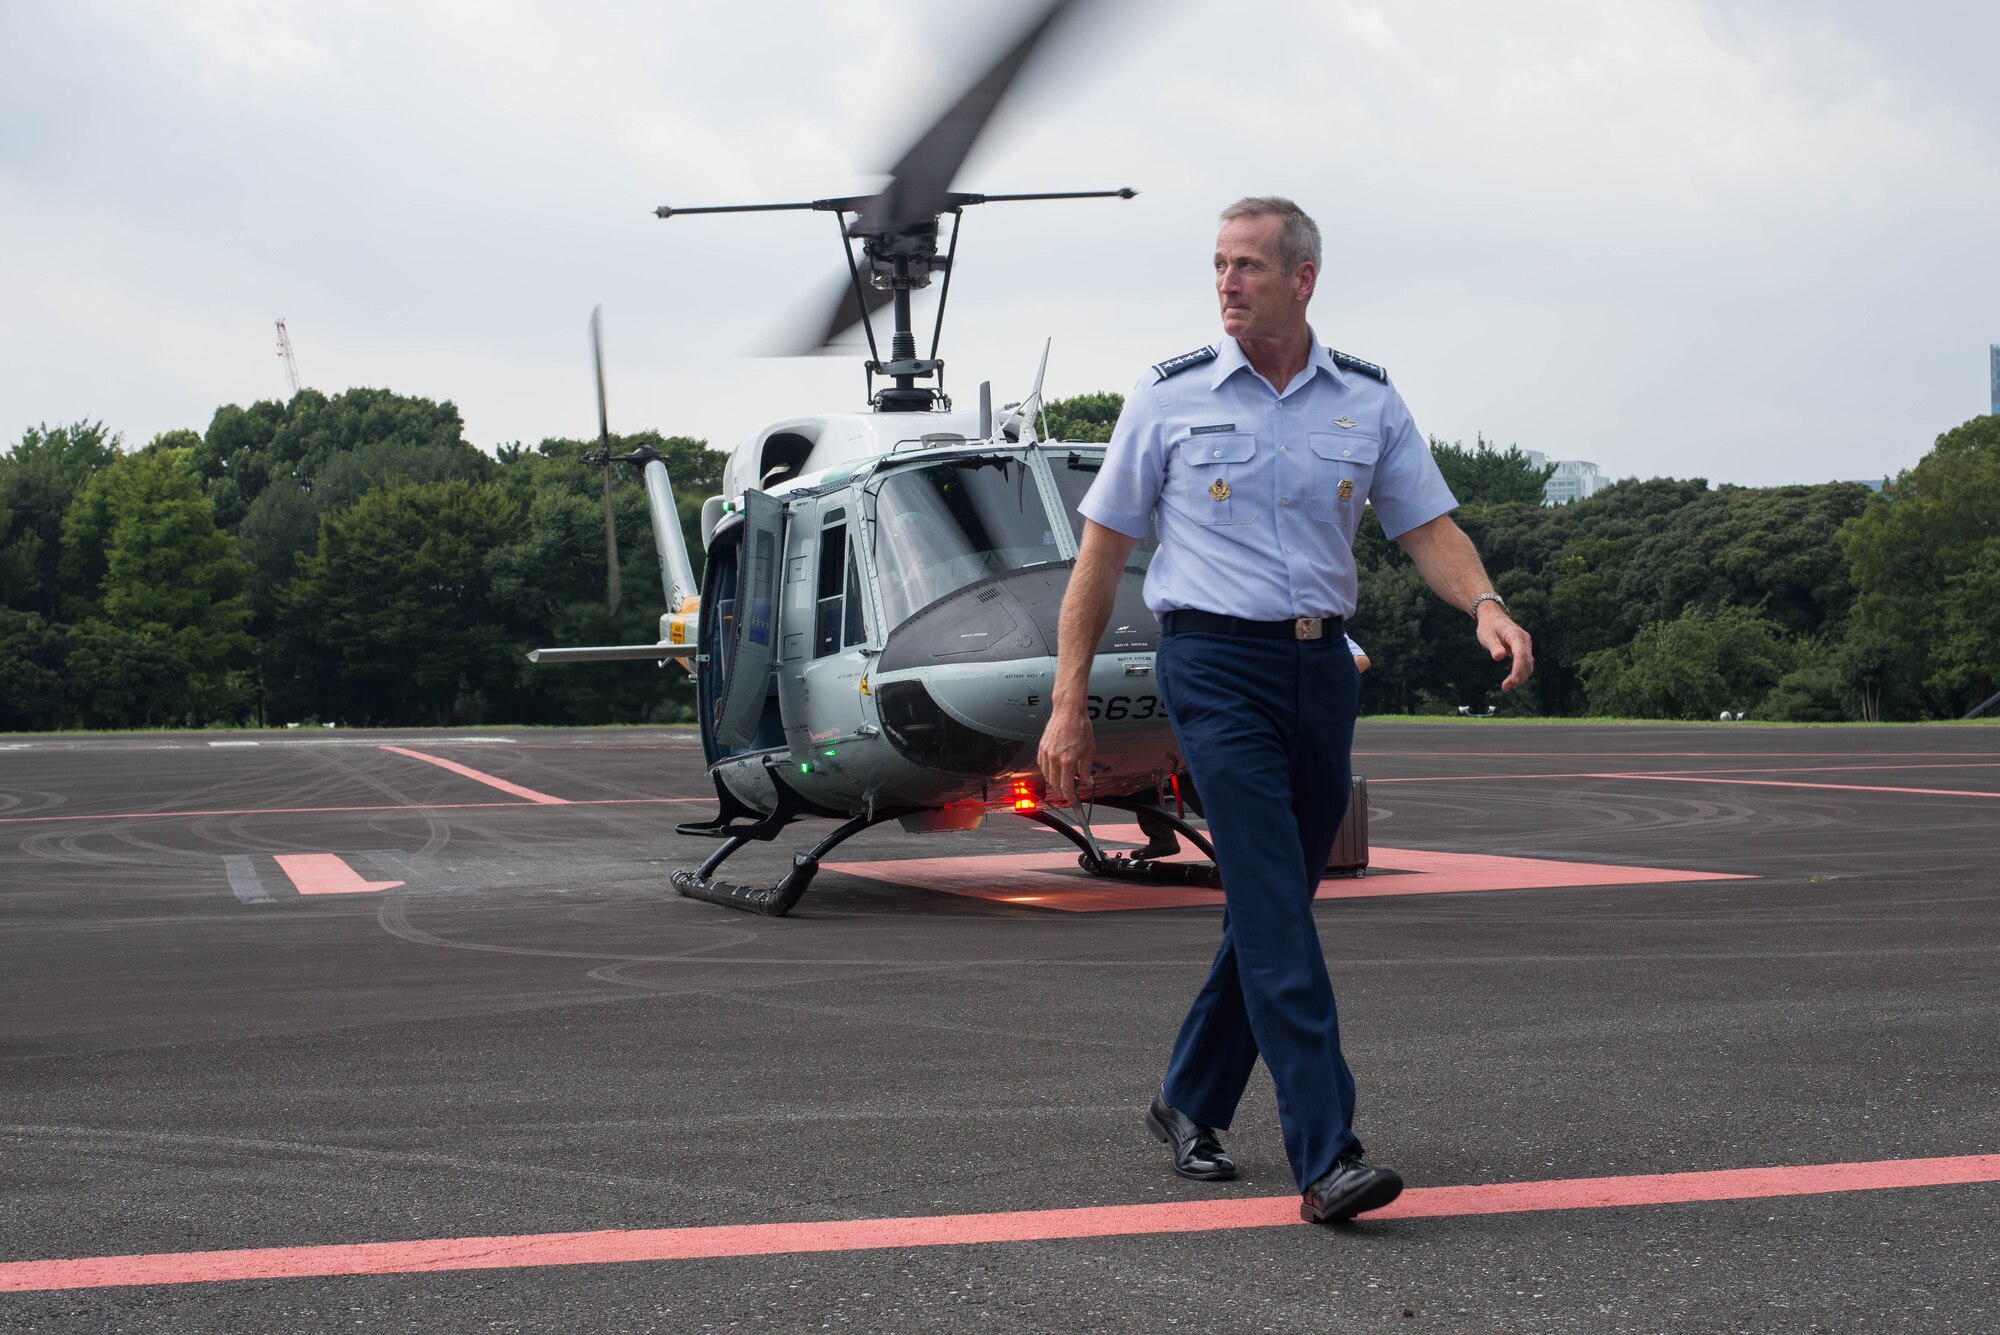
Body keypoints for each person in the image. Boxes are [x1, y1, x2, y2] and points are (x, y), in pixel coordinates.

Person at [1037, 196, 1532, 1225]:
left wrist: (1482, 602)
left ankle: (1185, 1099)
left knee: (1275, 905)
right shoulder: (1166, 397)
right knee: (1267, 899)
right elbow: (1099, 560)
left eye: (1247, 267)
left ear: (1302, 278)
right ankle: (1327, 1154)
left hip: (1319, 673)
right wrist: (1066, 705)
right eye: (1217, 264)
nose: (1225, 283)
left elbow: (1424, 524)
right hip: (1210, 666)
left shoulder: (1366, 399)